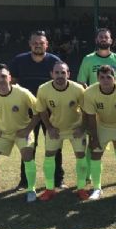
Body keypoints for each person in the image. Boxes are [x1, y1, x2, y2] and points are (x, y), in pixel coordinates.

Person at [76, 28, 116, 183]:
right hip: (95, 108)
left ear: (111, 40)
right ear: (96, 40)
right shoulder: (88, 59)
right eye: (100, 37)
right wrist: (89, 101)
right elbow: (81, 82)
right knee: (93, 142)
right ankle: (89, 175)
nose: (103, 39)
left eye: (106, 37)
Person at [0, 64, 39, 203]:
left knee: (27, 155)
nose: (0, 79)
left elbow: (38, 111)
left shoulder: (23, 93)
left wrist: (28, 130)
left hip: (22, 131)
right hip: (2, 133)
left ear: (10, 78)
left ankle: (31, 189)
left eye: (3, 76)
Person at [9, 30, 62, 191]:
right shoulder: (19, 60)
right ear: (30, 44)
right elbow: (13, 84)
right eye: (35, 43)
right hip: (27, 112)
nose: (38, 45)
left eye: (41, 42)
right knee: (28, 145)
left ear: (46, 44)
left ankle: (57, 180)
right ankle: (24, 181)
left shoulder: (54, 61)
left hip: (50, 111)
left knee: (54, 145)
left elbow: (60, 84)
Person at [35, 62, 88, 201]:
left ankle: (81, 188)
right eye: (57, 73)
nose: (60, 75)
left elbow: (87, 111)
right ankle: (49, 189)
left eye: (63, 73)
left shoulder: (77, 89)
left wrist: (82, 128)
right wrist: (49, 128)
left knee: (80, 156)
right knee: (49, 156)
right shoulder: (43, 89)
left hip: (75, 128)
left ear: (68, 74)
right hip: (56, 129)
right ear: (51, 74)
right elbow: (41, 110)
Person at [83, 65, 116, 200]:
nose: (105, 80)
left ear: (115, 78)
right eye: (102, 77)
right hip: (103, 126)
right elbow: (91, 117)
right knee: (95, 154)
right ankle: (97, 188)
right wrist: (94, 137)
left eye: (109, 77)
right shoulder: (90, 92)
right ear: (97, 79)